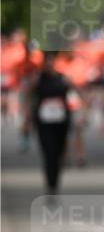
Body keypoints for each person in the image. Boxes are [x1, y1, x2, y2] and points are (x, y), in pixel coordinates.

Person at [28, 51, 74, 196]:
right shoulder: (38, 80)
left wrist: (80, 114)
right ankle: (50, 184)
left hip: (61, 122)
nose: (49, 65)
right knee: (48, 153)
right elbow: (29, 97)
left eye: (51, 62)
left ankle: (55, 180)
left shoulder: (63, 79)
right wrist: (27, 118)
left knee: (58, 153)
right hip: (44, 123)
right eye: (46, 62)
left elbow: (75, 94)